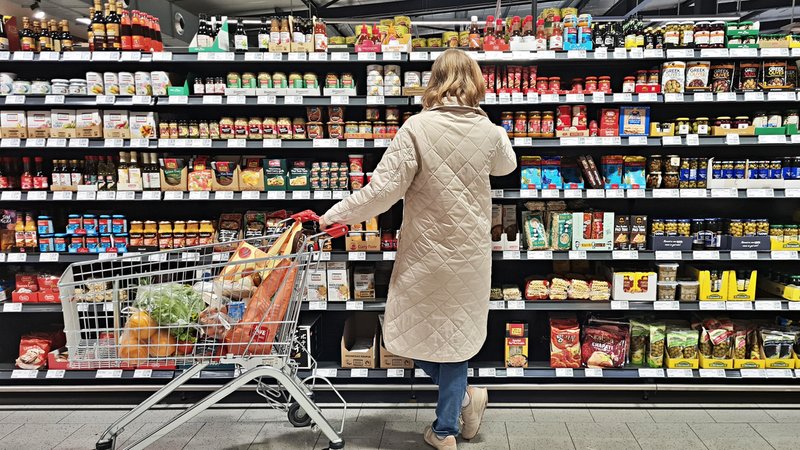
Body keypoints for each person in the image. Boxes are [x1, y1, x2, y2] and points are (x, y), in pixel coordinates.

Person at [320, 48, 516, 449]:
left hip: (426, 254)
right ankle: (459, 408)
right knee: (456, 339)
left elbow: (381, 193)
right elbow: (506, 166)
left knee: (403, 331)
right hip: (471, 257)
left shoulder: (416, 128)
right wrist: (486, 125)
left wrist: (333, 216)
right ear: (476, 84)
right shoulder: (490, 130)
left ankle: (448, 426)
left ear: (434, 82)